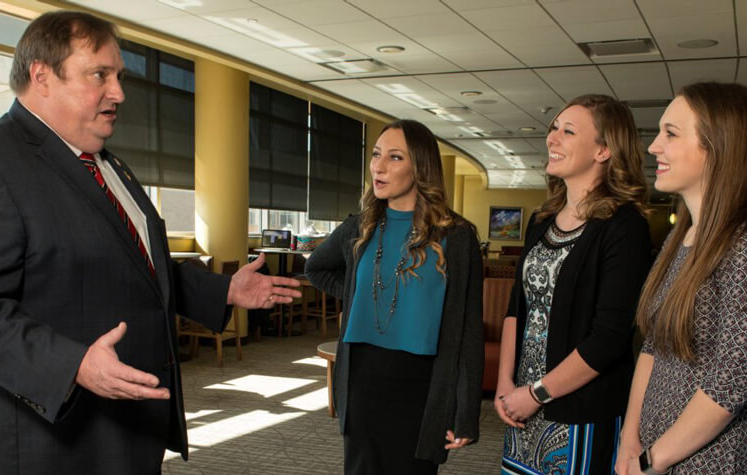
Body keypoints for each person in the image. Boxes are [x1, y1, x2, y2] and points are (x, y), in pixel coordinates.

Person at [0, 11, 300, 475]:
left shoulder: (108, 165)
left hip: (116, 432)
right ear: (42, 76)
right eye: (100, 75)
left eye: (119, 77)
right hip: (31, 445)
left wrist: (225, 290)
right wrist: (72, 365)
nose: (118, 93)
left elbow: (136, 266)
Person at [305, 119, 484, 474]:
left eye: (395, 157)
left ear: (421, 167)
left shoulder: (457, 236)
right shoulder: (360, 227)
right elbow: (316, 268)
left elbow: (468, 329)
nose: (379, 166)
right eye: (376, 154)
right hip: (362, 377)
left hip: (423, 384)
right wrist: (357, 295)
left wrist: (466, 412)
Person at [495, 94, 652, 474]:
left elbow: (610, 337)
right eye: (553, 128)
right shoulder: (541, 220)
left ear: (603, 150)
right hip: (521, 404)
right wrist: (505, 385)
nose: (552, 138)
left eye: (568, 131)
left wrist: (537, 393)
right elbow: (517, 308)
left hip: (580, 411)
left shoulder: (625, 226)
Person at [615, 82, 747, 475]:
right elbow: (652, 346)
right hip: (654, 451)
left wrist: (653, 459)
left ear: (718, 146)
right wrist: (630, 439)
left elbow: (732, 380)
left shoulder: (741, 242)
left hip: (706, 460)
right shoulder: (681, 235)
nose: (654, 147)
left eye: (671, 134)